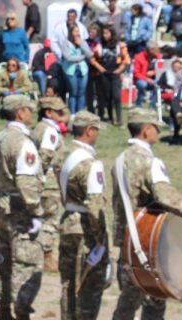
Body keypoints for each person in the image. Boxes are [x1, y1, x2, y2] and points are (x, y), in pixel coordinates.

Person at [111, 108, 182, 320]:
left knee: (127, 300)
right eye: (155, 128)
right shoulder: (150, 162)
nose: (157, 132)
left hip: (126, 237)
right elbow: (166, 195)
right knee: (154, 300)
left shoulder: (119, 160)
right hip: (149, 241)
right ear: (146, 130)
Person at [0, 94, 45, 320]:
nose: (31, 113)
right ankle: (21, 312)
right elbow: (25, 181)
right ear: (20, 112)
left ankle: (3, 309)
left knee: (5, 260)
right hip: (20, 209)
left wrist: (3, 193)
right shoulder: (22, 142)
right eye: (28, 109)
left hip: (3, 203)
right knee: (25, 263)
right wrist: (36, 211)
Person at [58, 111, 109, 320]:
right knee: (89, 287)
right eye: (96, 131)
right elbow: (95, 206)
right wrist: (101, 239)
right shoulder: (90, 163)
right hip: (86, 228)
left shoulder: (63, 154)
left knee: (68, 283)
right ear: (89, 131)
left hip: (68, 220)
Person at [32, 96, 70, 275]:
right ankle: (46, 256)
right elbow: (45, 156)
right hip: (50, 183)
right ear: (48, 112)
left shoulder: (38, 128)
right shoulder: (50, 132)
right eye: (59, 112)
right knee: (50, 221)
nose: (62, 115)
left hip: (42, 182)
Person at [93, 26, 130, 125]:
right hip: (104, 73)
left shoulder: (120, 46)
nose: (105, 35)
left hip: (115, 73)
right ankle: (110, 117)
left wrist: (120, 70)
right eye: (103, 33)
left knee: (117, 96)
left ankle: (119, 118)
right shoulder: (100, 45)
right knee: (107, 96)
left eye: (107, 33)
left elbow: (126, 60)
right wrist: (100, 68)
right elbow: (93, 59)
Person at [61, 24, 93, 113]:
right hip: (70, 71)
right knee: (73, 93)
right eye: (75, 31)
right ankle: (72, 114)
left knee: (81, 93)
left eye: (78, 31)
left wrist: (81, 44)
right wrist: (82, 57)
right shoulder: (65, 43)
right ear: (71, 32)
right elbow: (68, 58)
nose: (77, 33)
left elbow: (90, 54)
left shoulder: (83, 42)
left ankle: (80, 113)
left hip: (83, 70)